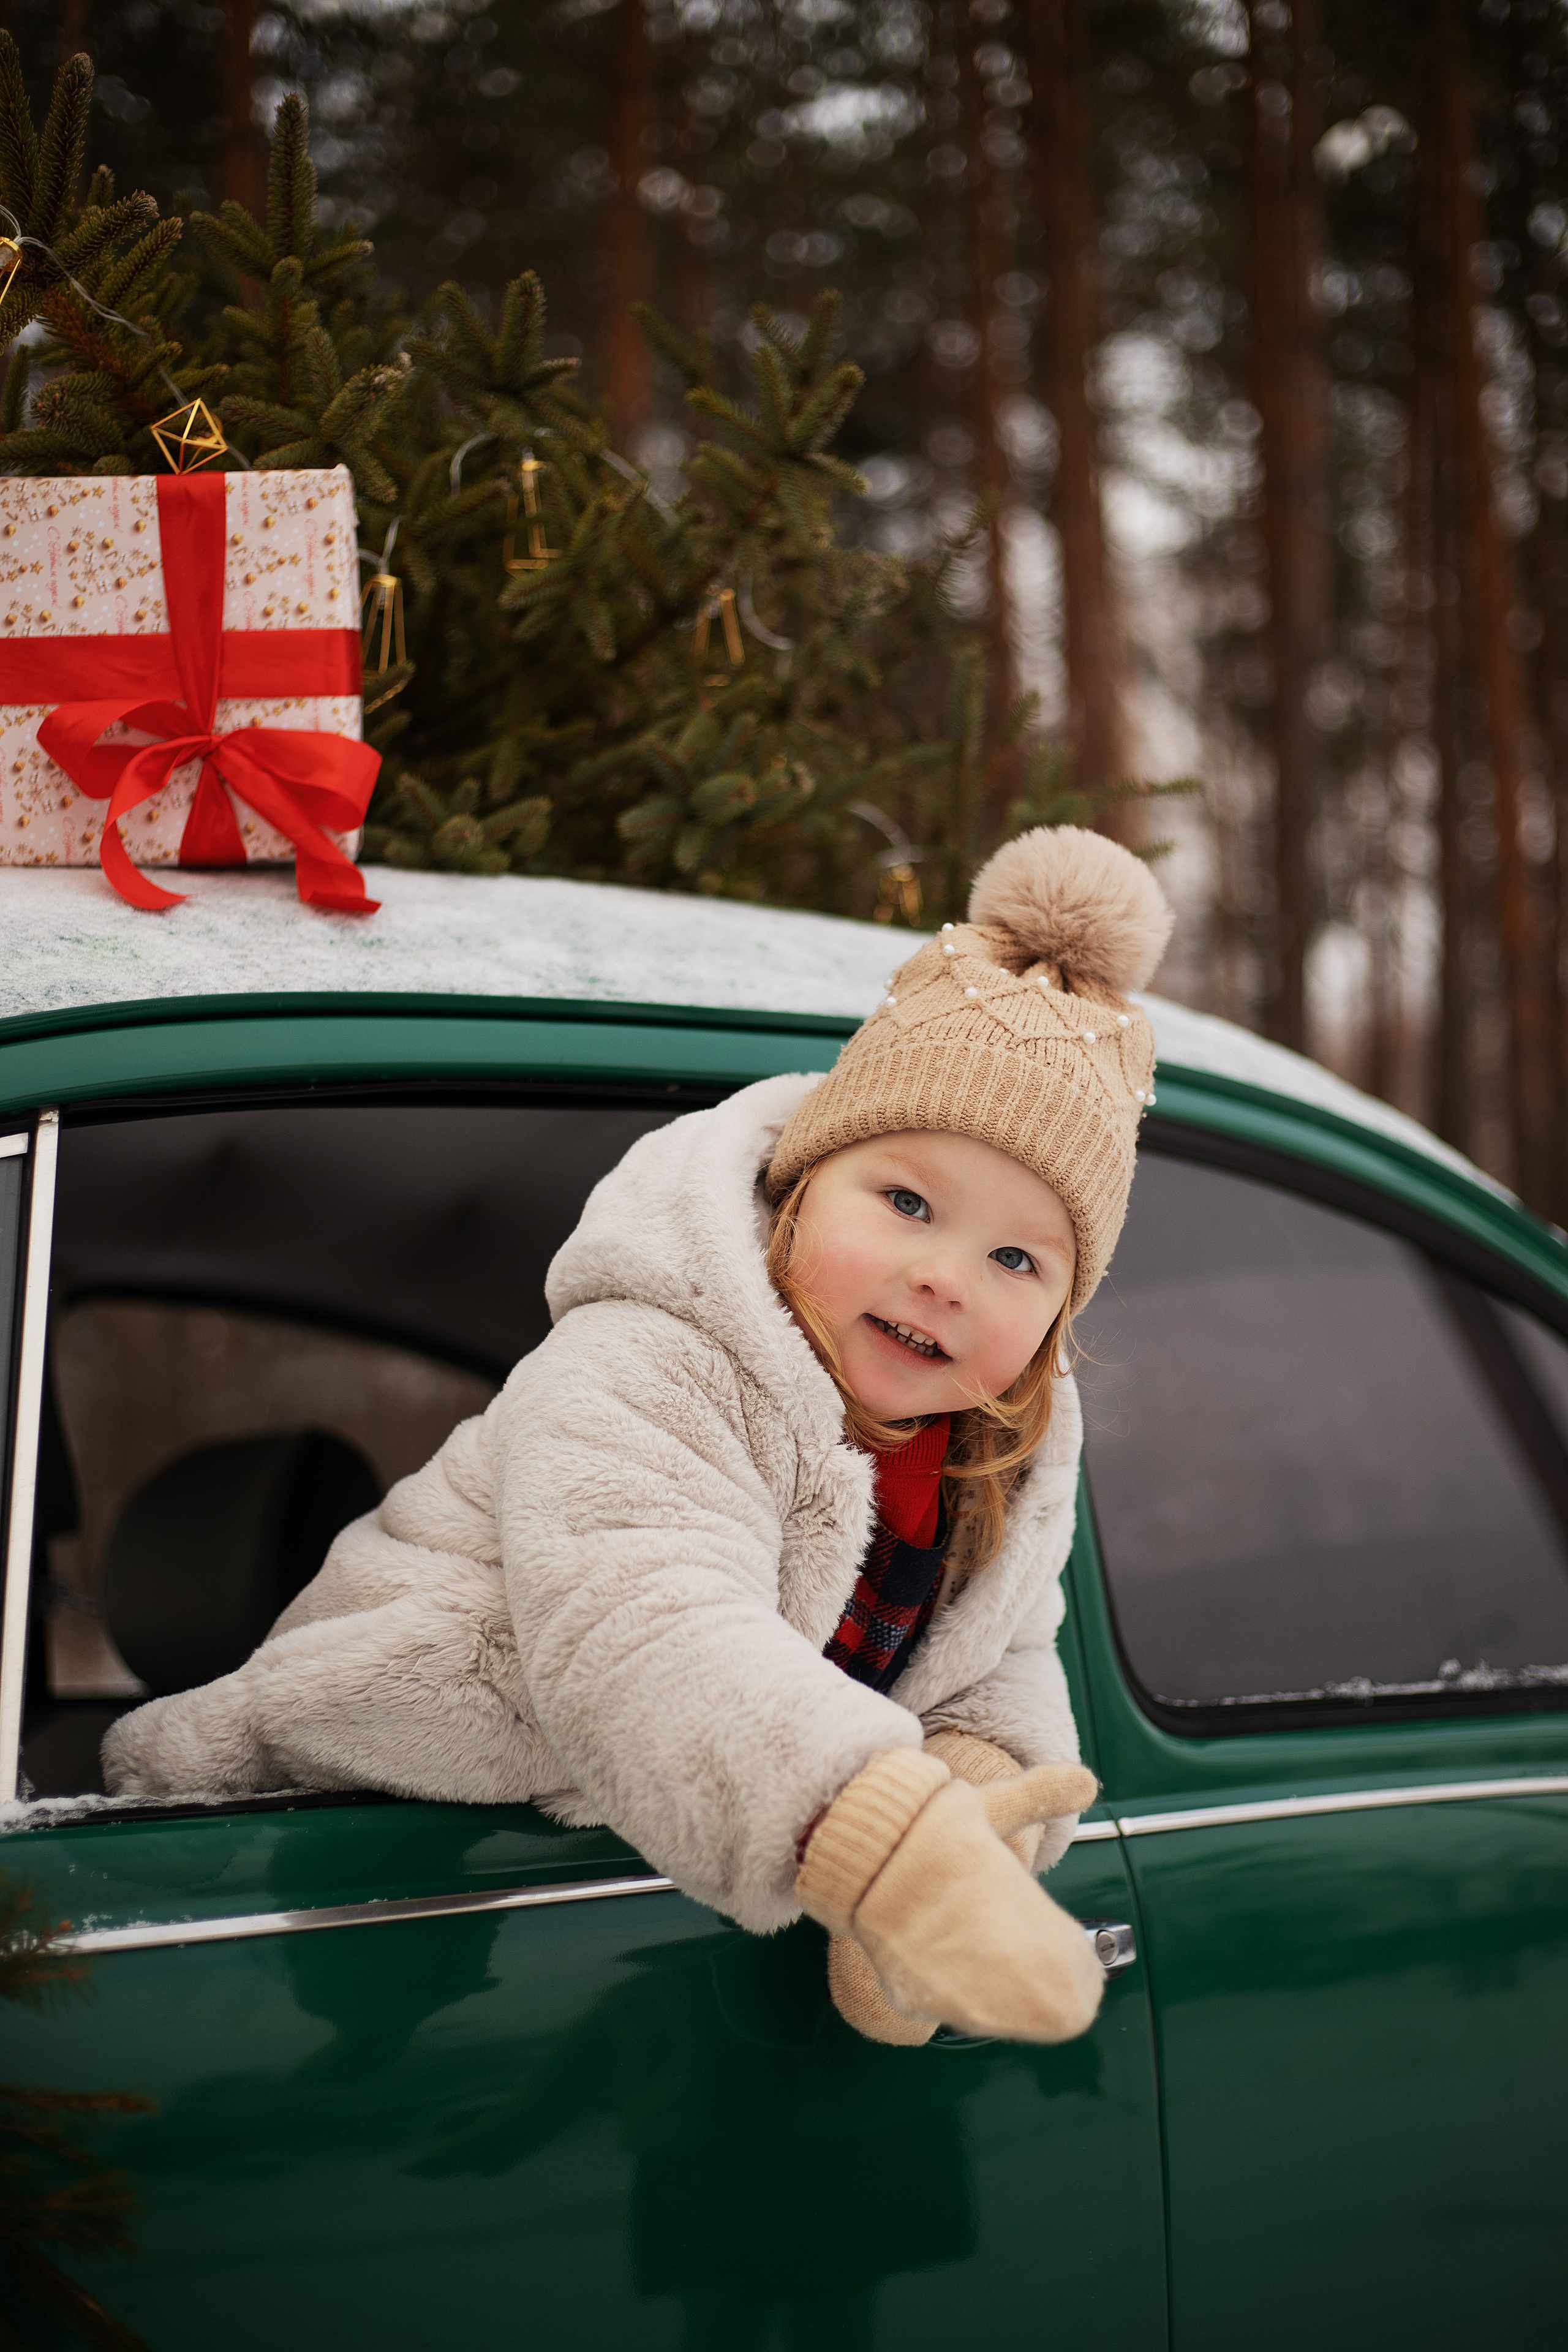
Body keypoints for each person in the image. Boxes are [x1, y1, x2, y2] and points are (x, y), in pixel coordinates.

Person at [104, 824, 1171, 2048]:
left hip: (580, 1848)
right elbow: (647, 1627)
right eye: (907, 1201)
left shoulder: (984, 1469)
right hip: (337, 1807)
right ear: (798, 1185)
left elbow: (997, 1658)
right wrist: (893, 1857)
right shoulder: (653, 1357)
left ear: (1052, 1319)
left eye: (1014, 1259)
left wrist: (979, 1807)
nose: (945, 1278)